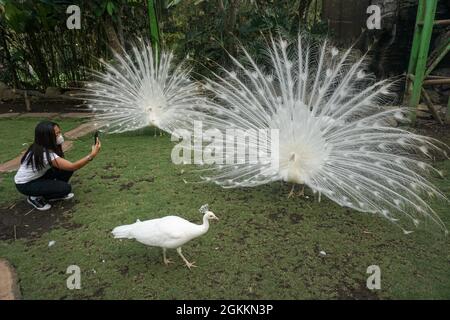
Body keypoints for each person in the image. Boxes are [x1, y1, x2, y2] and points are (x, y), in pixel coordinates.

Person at [14, 120, 101, 211]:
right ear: (47, 138)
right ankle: (34, 197)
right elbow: (73, 166)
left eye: (59, 132)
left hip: (38, 177)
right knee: (66, 188)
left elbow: (68, 167)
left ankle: (52, 192)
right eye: (56, 134)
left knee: (66, 170)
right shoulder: (44, 153)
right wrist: (92, 155)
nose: (60, 136)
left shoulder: (42, 147)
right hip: (25, 185)